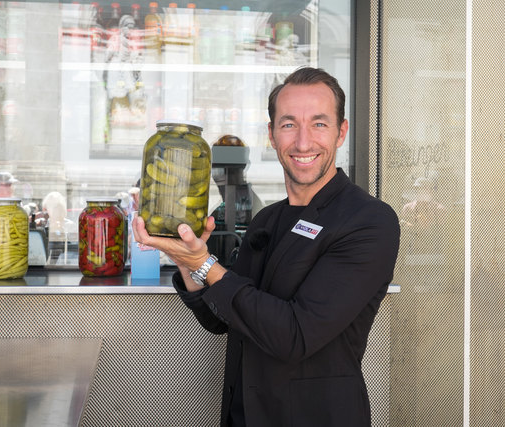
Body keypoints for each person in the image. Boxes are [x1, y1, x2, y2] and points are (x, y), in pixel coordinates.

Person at [132, 67, 400, 426]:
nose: (303, 143)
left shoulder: (368, 221)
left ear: (341, 132)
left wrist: (205, 263)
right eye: (289, 125)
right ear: (271, 135)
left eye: (319, 124)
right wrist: (185, 257)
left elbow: (295, 335)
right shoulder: (267, 220)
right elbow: (222, 317)